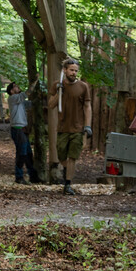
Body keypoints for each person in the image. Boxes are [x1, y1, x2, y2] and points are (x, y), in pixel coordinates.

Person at [48, 57, 92, 196]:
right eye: (71, 70)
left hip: (77, 128)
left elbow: (87, 106)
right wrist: (59, 92)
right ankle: (68, 171)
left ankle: (67, 184)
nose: (74, 73)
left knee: (73, 157)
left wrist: (87, 125)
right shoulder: (57, 85)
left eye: (76, 71)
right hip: (62, 128)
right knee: (61, 156)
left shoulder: (83, 87)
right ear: (65, 70)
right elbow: (51, 105)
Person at [6, 80, 41, 184]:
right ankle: (19, 177)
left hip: (22, 130)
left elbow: (30, 104)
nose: (18, 87)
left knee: (28, 154)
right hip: (17, 130)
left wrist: (39, 98)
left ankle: (33, 177)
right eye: (15, 87)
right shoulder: (13, 98)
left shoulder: (19, 100)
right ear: (12, 91)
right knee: (22, 154)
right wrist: (34, 82)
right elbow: (27, 94)